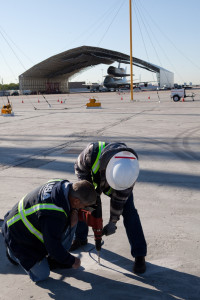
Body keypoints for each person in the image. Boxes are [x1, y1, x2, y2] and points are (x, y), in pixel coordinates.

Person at [70, 141, 147, 274]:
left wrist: (113, 222)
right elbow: (80, 171)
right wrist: (91, 199)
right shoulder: (90, 153)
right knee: (83, 203)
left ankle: (139, 255)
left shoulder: (130, 169)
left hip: (120, 183)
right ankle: (80, 238)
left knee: (129, 212)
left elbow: (119, 201)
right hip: (90, 178)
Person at [2, 179, 97, 282]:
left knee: (72, 219)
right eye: (85, 205)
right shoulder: (53, 213)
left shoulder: (63, 185)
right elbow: (52, 245)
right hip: (17, 236)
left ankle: (54, 259)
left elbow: (66, 209)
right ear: (76, 201)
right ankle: (12, 253)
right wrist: (71, 260)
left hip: (26, 224)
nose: (85, 208)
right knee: (42, 274)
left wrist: (74, 210)